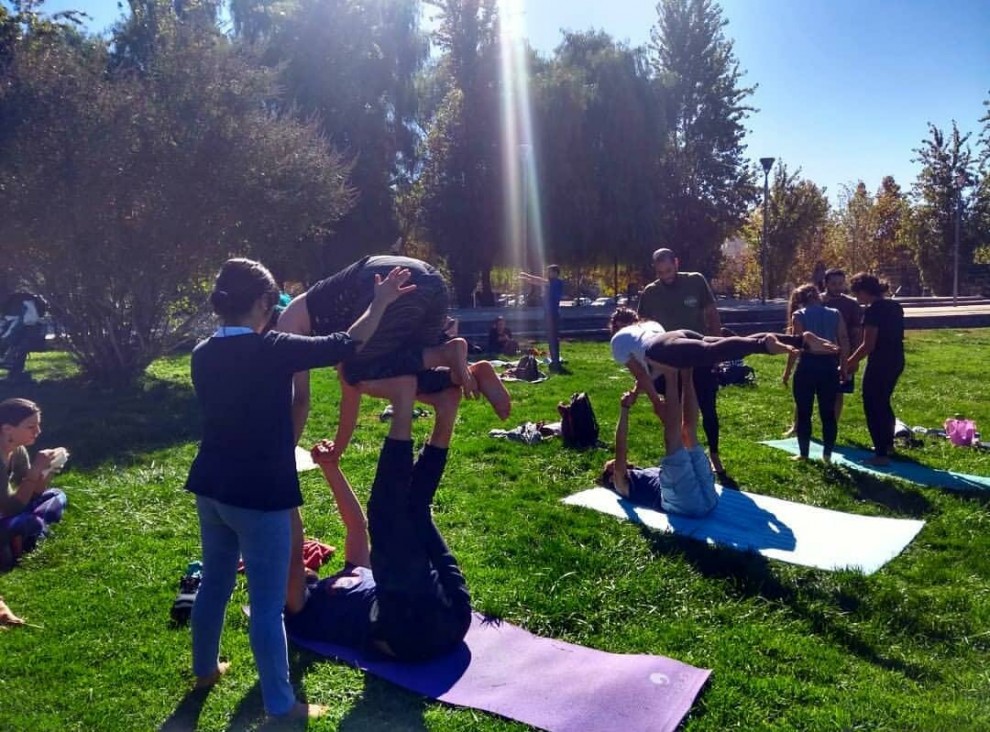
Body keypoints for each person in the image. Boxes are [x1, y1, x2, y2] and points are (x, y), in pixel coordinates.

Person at [184, 257, 413, 720]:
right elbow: (347, 343)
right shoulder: (274, 349)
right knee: (267, 608)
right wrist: (381, 301)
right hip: (260, 496)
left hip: (211, 487)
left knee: (215, 583)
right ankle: (282, 706)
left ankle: (205, 670)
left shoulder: (202, 353)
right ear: (266, 303)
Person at [285, 374, 471, 661]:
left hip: (450, 612)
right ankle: (402, 403)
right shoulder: (303, 610)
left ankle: (446, 411)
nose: (310, 565)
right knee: (385, 515)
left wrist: (329, 467)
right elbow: (293, 556)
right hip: (410, 635)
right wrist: (283, 492)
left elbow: (356, 527)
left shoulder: (350, 572)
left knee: (415, 509)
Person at [278, 255, 478, 444]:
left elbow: (303, 399)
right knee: (408, 368)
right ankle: (470, 375)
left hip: (387, 284)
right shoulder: (310, 314)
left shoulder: (285, 326)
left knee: (354, 372)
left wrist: (289, 455)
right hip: (433, 281)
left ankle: (446, 354)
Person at [608, 308, 837, 421]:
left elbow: (641, 373)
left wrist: (657, 402)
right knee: (718, 345)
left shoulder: (617, 341)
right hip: (680, 335)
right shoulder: (648, 324)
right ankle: (799, 340)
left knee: (713, 352)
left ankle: (764, 346)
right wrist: (640, 392)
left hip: (659, 347)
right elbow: (650, 369)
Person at [637, 248, 726, 475]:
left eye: (668, 270)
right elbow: (643, 327)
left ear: (676, 262)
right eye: (660, 272)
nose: (665, 276)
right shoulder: (650, 293)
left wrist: (718, 351)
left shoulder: (695, 281)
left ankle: (714, 455)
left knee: (708, 406)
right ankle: (681, 453)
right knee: (675, 410)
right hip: (669, 362)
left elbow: (712, 314)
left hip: (699, 353)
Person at [598, 365, 718, 517]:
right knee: (672, 440)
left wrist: (661, 412)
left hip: (709, 497)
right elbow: (621, 448)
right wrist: (624, 409)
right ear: (611, 477)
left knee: (687, 433)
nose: (611, 462)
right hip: (686, 504)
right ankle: (671, 373)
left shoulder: (642, 473)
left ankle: (688, 370)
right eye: (608, 467)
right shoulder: (621, 485)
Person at [781, 285, 850, 463]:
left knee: (804, 412)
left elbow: (796, 345)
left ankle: (804, 454)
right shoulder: (835, 313)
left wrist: (787, 371)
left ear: (800, 300)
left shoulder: (799, 315)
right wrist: (843, 365)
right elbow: (843, 339)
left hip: (807, 365)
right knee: (828, 413)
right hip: (829, 365)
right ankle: (827, 455)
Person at [0, 398, 67, 570]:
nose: (38, 431)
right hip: (7, 513)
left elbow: (33, 493)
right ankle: (27, 535)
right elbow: (12, 508)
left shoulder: (17, 450)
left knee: (56, 495)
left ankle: (21, 537)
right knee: (31, 521)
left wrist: (49, 470)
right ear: (7, 429)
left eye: (38, 425)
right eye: (30, 427)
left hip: (8, 513)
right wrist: (35, 470)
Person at [846, 272, 904, 466]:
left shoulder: (873, 311)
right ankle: (887, 445)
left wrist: (850, 361)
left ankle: (880, 454)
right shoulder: (895, 306)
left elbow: (868, 344)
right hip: (897, 359)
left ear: (863, 291)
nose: (857, 298)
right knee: (883, 401)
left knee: (872, 405)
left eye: (857, 294)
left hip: (880, 361)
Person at [822, 268, 864, 421]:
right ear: (826, 284)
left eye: (840, 283)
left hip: (842, 353)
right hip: (819, 352)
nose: (837, 287)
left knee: (838, 390)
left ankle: (833, 422)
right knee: (810, 389)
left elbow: (857, 332)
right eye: (833, 284)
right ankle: (797, 425)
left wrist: (854, 358)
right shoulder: (817, 302)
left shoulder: (851, 304)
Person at [519, 265, 564, 372]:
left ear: (556, 273)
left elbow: (540, 281)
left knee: (553, 338)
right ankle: (554, 359)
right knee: (551, 338)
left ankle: (555, 360)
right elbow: (539, 282)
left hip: (552, 315)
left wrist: (527, 276)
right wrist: (527, 279)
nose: (548, 274)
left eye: (550, 272)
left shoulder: (556, 282)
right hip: (549, 314)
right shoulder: (551, 283)